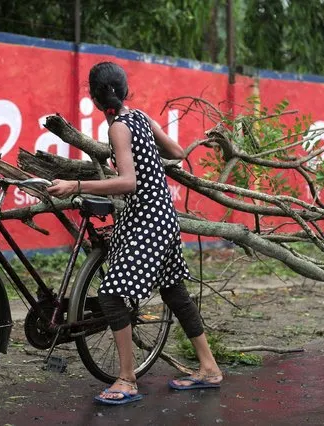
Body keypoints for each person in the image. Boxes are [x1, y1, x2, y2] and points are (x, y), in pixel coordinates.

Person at [47, 61, 223, 405]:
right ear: (125, 92)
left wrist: (76, 184)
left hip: (147, 220)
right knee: (173, 291)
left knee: (111, 295)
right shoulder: (140, 117)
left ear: (95, 99)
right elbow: (177, 153)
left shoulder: (118, 129)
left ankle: (127, 379)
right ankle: (209, 367)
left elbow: (129, 182)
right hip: (163, 216)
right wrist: (141, 156)